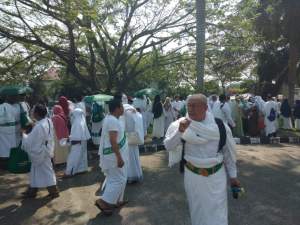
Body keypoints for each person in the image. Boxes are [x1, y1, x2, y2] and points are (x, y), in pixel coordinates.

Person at [164, 94, 240, 225]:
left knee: (219, 210)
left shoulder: (220, 126)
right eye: (189, 106)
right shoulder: (180, 124)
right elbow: (169, 146)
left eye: (194, 106)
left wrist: (233, 176)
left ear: (205, 107)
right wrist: (180, 131)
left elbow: (228, 153)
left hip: (217, 177)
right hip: (193, 176)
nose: (190, 109)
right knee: (197, 210)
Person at [96, 98, 128, 215]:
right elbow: (113, 141)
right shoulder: (113, 121)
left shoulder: (110, 119)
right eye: (122, 106)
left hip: (111, 155)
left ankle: (115, 201)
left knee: (112, 179)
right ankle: (104, 201)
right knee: (119, 179)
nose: (123, 108)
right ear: (117, 108)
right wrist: (119, 157)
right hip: (113, 156)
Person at [21, 104, 59, 198]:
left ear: (37, 113)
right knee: (35, 172)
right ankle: (32, 191)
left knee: (47, 172)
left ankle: (54, 192)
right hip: (46, 150)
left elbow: (30, 142)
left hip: (41, 152)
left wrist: (23, 134)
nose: (32, 113)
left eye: (33, 111)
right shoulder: (48, 121)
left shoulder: (39, 126)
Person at [65, 108, 91, 176]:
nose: (72, 117)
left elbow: (77, 137)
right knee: (82, 157)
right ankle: (81, 169)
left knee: (73, 158)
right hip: (82, 142)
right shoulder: (81, 121)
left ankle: (69, 172)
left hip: (77, 143)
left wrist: (69, 140)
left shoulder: (77, 123)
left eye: (72, 115)